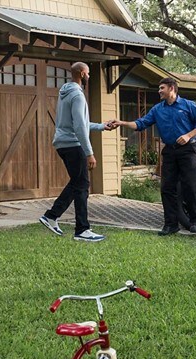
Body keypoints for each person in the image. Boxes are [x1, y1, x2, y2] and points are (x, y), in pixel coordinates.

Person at [110, 78, 196, 235]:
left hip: (188, 150)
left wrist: (188, 135)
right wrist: (122, 123)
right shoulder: (157, 109)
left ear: (171, 88)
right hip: (169, 151)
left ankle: (195, 221)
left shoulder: (188, 105)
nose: (159, 91)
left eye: (162, 88)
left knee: (189, 185)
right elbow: (141, 123)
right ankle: (170, 225)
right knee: (167, 188)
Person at [38, 62, 113, 242]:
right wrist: (89, 152)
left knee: (78, 184)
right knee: (81, 185)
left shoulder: (65, 93)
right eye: (88, 73)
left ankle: (52, 216)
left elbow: (79, 123)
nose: (90, 76)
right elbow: (79, 127)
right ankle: (81, 230)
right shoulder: (78, 96)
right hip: (73, 144)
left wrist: (102, 126)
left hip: (63, 144)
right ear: (81, 73)